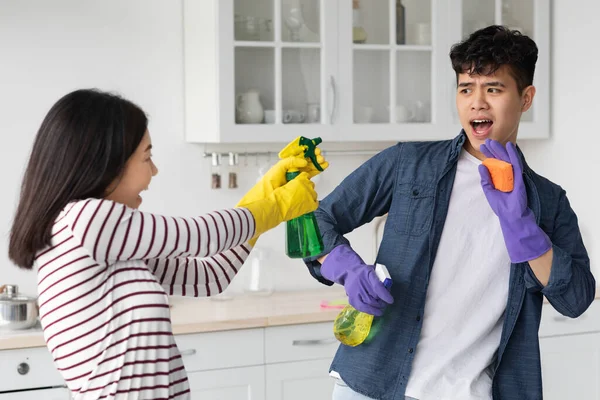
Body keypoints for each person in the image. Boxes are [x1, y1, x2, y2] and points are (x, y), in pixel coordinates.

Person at [304, 25, 595, 400]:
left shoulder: (548, 201)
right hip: (372, 384)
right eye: (465, 89)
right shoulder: (408, 164)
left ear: (526, 98)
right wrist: (345, 269)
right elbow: (311, 221)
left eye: (493, 89)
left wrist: (523, 228)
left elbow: (576, 299)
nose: (477, 102)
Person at [8, 88, 328, 399]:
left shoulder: (110, 244)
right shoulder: (86, 220)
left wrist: (265, 191)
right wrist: (276, 206)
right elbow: (203, 236)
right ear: (107, 163)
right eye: (147, 157)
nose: (154, 170)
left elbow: (210, 276)